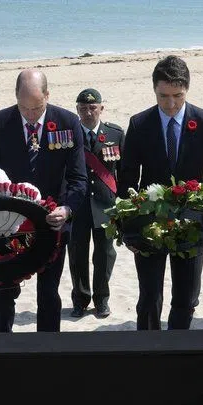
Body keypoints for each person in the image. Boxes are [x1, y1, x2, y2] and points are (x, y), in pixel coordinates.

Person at [118, 55, 203, 330]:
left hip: (193, 224)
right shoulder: (139, 124)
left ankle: (178, 353)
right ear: (154, 90)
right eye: (163, 96)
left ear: (187, 90)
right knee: (149, 297)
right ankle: (148, 354)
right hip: (149, 222)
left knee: (186, 298)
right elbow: (126, 180)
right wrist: (126, 228)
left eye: (178, 96)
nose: (171, 104)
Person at [0, 68, 89, 332]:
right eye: (25, 108)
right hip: (10, 223)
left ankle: (48, 348)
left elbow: (78, 178)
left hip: (52, 222)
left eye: (37, 107)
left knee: (49, 292)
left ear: (48, 96)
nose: (31, 115)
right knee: (4, 289)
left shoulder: (67, 122)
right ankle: (2, 342)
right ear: (16, 97)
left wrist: (67, 209)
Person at [68, 87, 122, 319]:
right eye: (83, 108)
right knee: (77, 254)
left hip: (105, 204)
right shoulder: (69, 135)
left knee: (105, 254)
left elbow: (125, 170)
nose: (88, 113)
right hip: (78, 205)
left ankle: (101, 299)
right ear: (77, 110)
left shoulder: (115, 134)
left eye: (92, 108)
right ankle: (80, 299)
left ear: (102, 108)